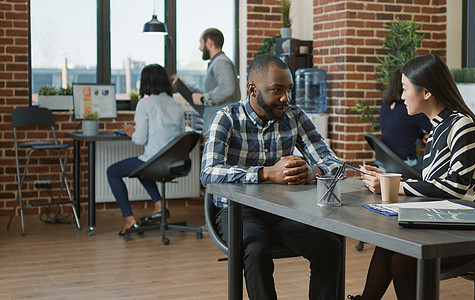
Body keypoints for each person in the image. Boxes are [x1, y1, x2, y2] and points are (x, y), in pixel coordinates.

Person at [351, 54, 475, 300]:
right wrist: (389, 178)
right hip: (458, 222)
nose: (401, 96)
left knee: (403, 257)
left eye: (405, 89)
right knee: (390, 242)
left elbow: (455, 189)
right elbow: (436, 185)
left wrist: (397, 186)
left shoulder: (462, 125)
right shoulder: (436, 130)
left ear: (426, 92)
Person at [201, 54, 343, 300]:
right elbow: (208, 173)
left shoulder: (294, 116)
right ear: (252, 89)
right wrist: (265, 173)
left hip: (282, 211)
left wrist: (313, 172)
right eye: (277, 90)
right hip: (237, 211)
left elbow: (336, 165)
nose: (285, 98)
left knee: (330, 246)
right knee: (255, 251)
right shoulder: (227, 118)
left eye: (288, 90)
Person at [107, 64, 185, 236]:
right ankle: (159, 206)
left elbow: (140, 139)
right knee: (142, 166)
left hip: (155, 163)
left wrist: (131, 132)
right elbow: (179, 136)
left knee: (113, 172)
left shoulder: (145, 103)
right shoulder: (177, 105)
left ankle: (129, 220)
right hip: (177, 164)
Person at [171, 28, 240, 136]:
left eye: (201, 43)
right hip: (218, 126)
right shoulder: (217, 62)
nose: (200, 48)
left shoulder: (220, 62)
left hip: (221, 128)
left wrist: (203, 99)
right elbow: (212, 92)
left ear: (209, 43)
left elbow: (227, 88)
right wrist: (182, 85)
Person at [379, 70, 431, 173]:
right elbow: (434, 126)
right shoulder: (409, 109)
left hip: (385, 165)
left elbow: (400, 130)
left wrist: (421, 135)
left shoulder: (384, 108)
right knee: (431, 164)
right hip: (404, 165)